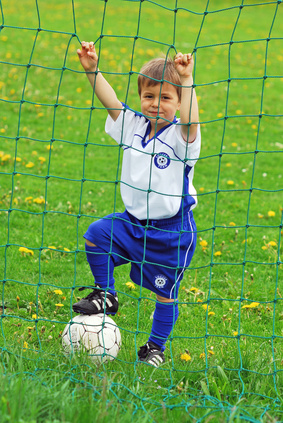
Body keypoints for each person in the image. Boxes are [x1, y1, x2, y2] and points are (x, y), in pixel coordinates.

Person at [73, 41, 200, 367]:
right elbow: (112, 102)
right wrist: (92, 70)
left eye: (166, 98)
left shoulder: (181, 138)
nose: (156, 104)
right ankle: (107, 294)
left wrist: (186, 81)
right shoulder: (133, 126)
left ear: (179, 102)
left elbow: (190, 122)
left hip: (170, 233)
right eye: (149, 96)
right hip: (132, 223)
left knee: (164, 294)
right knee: (97, 233)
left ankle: (154, 348)